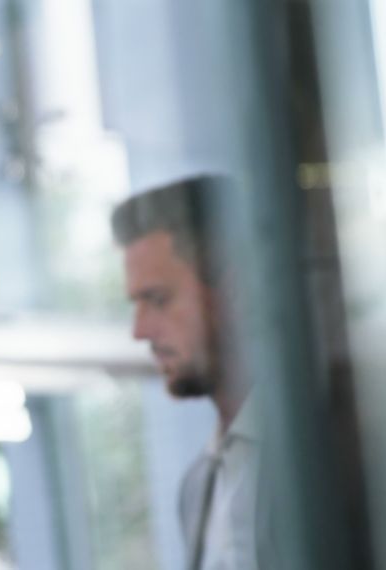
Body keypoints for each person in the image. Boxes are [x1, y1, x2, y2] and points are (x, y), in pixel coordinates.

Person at [111, 176, 261, 570]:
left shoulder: (320, 453)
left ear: (234, 290)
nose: (139, 331)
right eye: (136, 304)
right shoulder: (197, 487)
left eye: (158, 300)